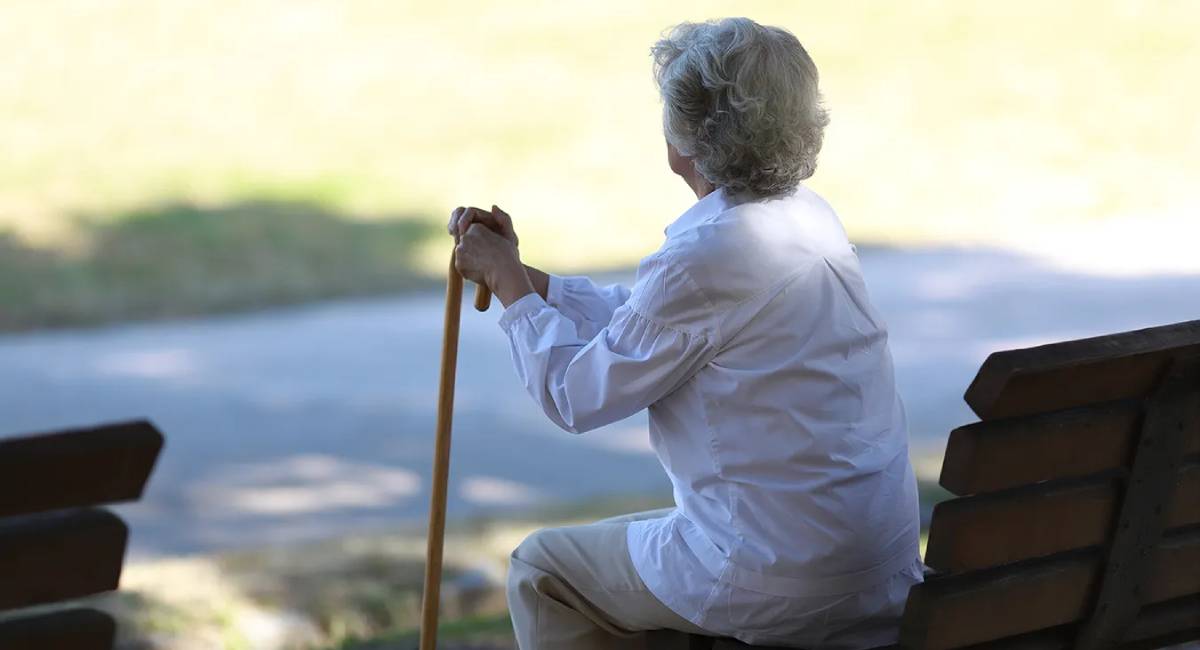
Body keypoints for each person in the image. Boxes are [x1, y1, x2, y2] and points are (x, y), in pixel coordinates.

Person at [449, 16, 923, 650]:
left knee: (542, 570)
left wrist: (508, 289)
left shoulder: (708, 254)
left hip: (784, 577)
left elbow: (574, 396)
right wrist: (527, 278)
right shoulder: (807, 218)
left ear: (688, 136)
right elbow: (657, 323)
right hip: (872, 565)